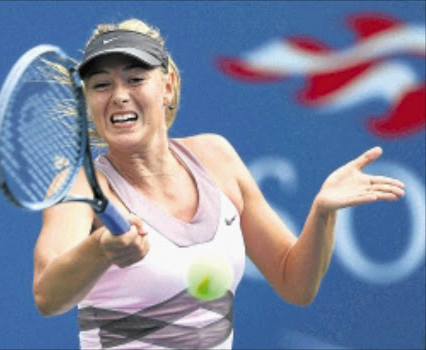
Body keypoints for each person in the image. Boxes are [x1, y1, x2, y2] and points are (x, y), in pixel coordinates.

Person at [31, 18, 406, 349]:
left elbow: (296, 283)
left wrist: (322, 212)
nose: (119, 95)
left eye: (135, 78)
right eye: (101, 85)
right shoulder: (78, 189)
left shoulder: (216, 157)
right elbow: (48, 295)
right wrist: (101, 249)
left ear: (168, 86)